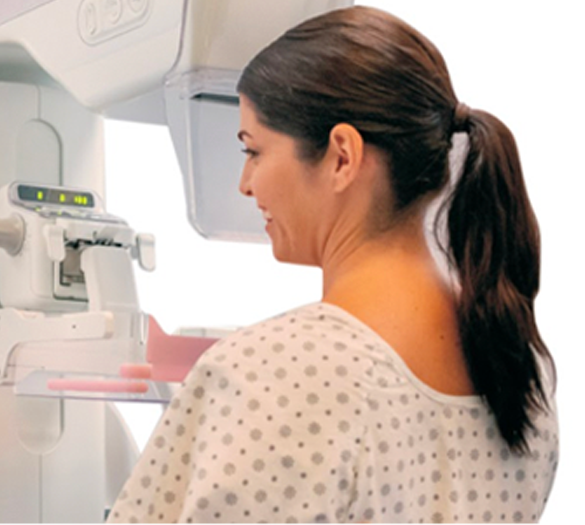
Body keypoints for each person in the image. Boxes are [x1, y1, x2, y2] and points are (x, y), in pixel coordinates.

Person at [108, 6, 557, 523]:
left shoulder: (273, 372)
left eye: (254, 151)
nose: (245, 184)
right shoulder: (518, 364)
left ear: (342, 156)